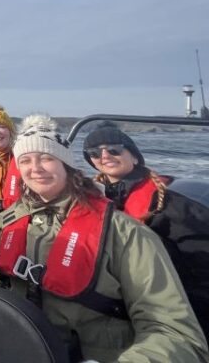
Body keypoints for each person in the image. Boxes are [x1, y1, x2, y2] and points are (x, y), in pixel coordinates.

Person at [0, 114, 208, 362]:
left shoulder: (125, 233)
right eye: (25, 160)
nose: (35, 168)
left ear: (66, 165)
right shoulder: (8, 221)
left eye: (46, 158)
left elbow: (177, 334)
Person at [83, 121, 209, 337]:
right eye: (95, 153)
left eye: (114, 149)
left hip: (171, 297)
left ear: (133, 155)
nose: (104, 156)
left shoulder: (171, 204)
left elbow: (200, 265)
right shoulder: (93, 196)